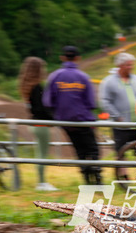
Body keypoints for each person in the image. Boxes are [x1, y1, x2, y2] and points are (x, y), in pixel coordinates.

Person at [43, 45, 101, 185]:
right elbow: (91, 102)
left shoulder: (54, 77)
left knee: (79, 150)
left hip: (66, 122)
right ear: (78, 58)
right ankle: (97, 179)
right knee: (92, 149)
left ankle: (86, 179)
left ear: (62, 57)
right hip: (84, 120)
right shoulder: (83, 77)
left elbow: (47, 101)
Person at [18, 56, 57, 192]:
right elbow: (41, 108)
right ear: (37, 70)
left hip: (35, 123)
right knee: (42, 155)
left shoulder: (28, 87)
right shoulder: (37, 88)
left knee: (39, 153)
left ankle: (41, 182)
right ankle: (41, 183)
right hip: (41, 125)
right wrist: (53, 118)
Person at [98, 52, 136, 156]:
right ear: (120, 65)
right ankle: (121, 167)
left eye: (131, 64)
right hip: (121, 127)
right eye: (128, 65)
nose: (131, 67)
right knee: (120, 154)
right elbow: (105, 101)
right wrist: (117, 116)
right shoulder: (109, 82)